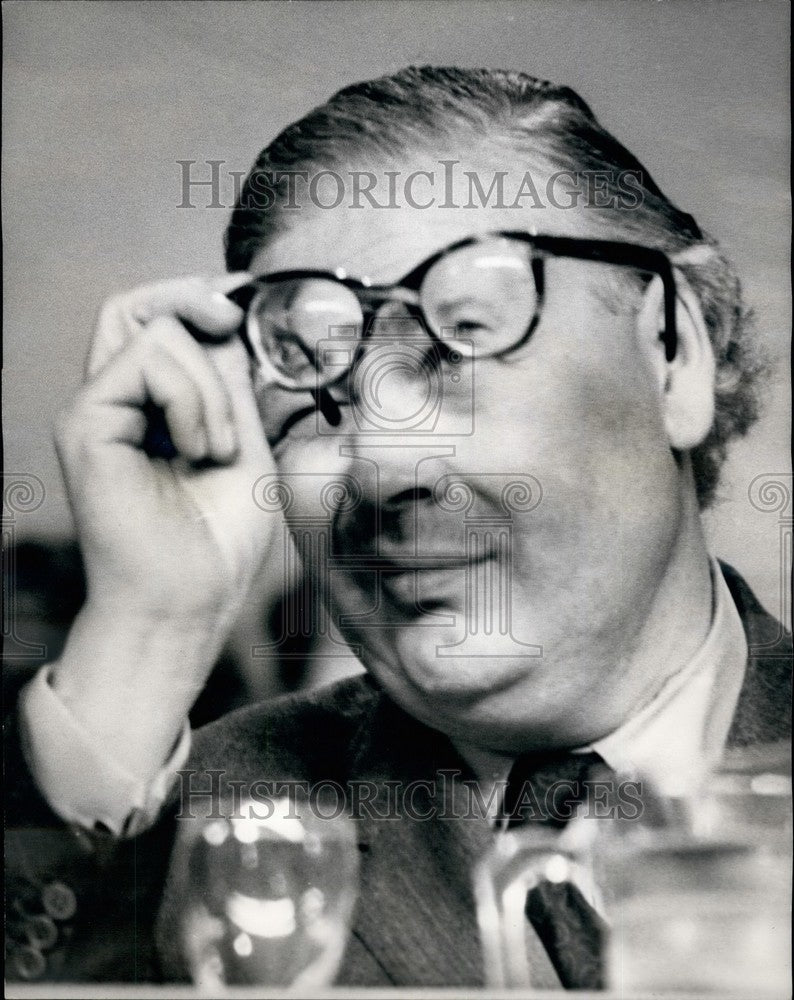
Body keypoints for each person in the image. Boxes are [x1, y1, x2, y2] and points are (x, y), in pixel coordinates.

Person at [5, 66, 790, 988]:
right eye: (308, 391)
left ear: (676, 355)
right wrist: (147, 631)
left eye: (460, 340)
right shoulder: (202, 819)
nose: (379, 466)